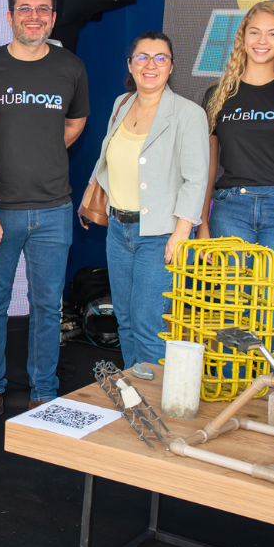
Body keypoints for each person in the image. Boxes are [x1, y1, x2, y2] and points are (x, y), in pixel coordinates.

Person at [0, 0, 89, 425]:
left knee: (46, 307)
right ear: (9, 16)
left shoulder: (70, 67)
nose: (33, 17)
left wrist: (43, 151)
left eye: (42, 9)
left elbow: (75, 123)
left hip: (54, 209)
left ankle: (43, 395)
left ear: (53, 18)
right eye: (24, 9)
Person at [197, 2, 274, 360]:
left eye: (272, 34)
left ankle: (270, 390)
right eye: (255, 32)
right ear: (242, 37)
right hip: (231, 209)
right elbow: (207, 165)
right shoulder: (218, 94)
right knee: (231, 314)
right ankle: (231, 387)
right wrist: (202, 224)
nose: (262, 41)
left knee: (272, 315)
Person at [85, 32, 208, 371]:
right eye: (142, 57)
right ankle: (134, 393)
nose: (150, 65)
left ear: (171, 66)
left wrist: (181, 233)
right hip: (118, 231)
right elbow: (109, 158)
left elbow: (196, 179)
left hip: (160, 235)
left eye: (160, 58)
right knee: (125, 322)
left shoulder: (188, 114)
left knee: (148, 326)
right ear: (130, 64)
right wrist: (95, 197)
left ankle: (153, 401)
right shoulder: (121, 104)